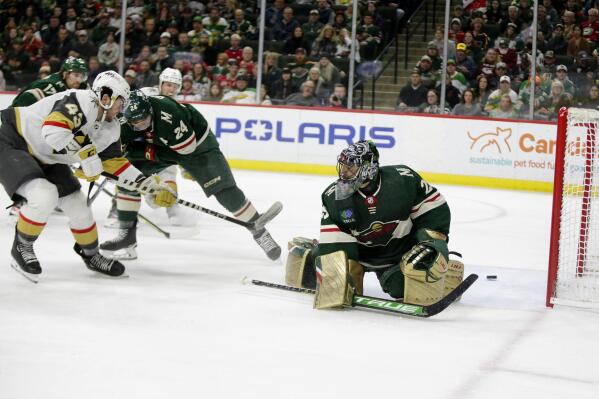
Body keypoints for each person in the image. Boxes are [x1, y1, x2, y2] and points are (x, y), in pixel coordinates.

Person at [0, 71, 172, 281]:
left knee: (79, 206)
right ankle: (21, 247)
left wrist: (149, 185)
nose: (122, 109)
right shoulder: (79, 100)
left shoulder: (111, 127)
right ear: (106, 97)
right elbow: (53, 131)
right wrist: (87, 155)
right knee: (44, 195)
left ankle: (91, 255)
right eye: (121, 102)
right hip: (12, 140)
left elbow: (114, 164)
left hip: (47, 156)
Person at [100, 91, 282, 261]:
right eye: (135, 123)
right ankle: (127, 237)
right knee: (126, 179)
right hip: (160, 145)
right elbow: (116, 148)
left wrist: (165, 176)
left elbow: (186, 150)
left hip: (197, 146)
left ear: (150, 110)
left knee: (224, 190)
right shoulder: (124, 119)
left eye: (143, 120)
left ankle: (258, 229)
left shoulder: (169, 115)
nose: (139, 125)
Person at [284, 140, 462, 308]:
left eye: (351, 167)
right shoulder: (334, 197)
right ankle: (308, 253)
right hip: (358, 254)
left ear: (369, 168)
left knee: (402, 288)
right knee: (327, 282)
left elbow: (433, 210)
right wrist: (339, 277)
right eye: (343, 166)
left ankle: (445, 274)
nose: (344, 172)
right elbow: (336, 245)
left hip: (399, 255)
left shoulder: (403, 180)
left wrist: (434, 242)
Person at [11, 57, 89, 107]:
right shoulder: (52, 86)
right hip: (14, 122)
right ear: (65, 74)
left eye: (82, 77)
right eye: (76, 75)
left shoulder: (76, 84)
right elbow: (26, 98)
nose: (79, 80)